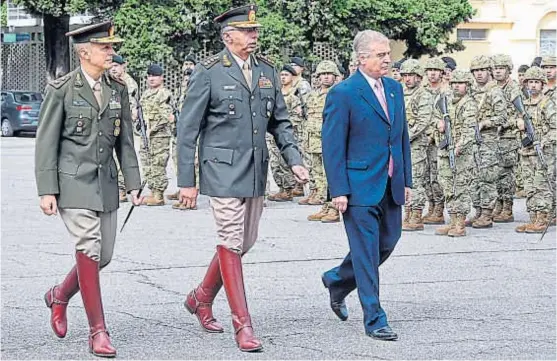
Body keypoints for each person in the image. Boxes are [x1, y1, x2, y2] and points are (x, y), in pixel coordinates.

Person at [177, 4, 308, 352]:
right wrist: (186, 181)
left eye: (255, 32)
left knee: (243, 243)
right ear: (228, 36)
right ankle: (243, 326)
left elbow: (280, 121)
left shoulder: (266, 70)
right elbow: (188, 130)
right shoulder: (208, 72)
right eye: (247, 32)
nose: (254, 37)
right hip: (220, 170)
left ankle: (201, 297)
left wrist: (294, 159)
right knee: (231, 240)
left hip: (255, 171)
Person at [35, 21, 142, 357]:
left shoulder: (118, 89)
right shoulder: (62, 89)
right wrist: (47, 189)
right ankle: (98, 331)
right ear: (85, 52)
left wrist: (134, 182)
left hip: (106, 183)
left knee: (103, 256)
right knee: (89, 247)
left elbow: (125, 142)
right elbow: (45, 142)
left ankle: (60, 294)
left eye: (112, 47)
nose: (112, 52)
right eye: (105, 47)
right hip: (73, 182)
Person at [320, 30, 412, 341]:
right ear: (362, 58)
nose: (388, 59)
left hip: (390, 183)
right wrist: (339, 190)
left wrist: (406, 179)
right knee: (366, 253)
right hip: (358, 186)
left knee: (388, 242)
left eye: (388, 54)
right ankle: (375, 318)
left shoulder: (394, 89)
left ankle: (338, 280)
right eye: (380, 55)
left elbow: (400, 138)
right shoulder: (343, 93)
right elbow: (332, 145)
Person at [432, 69, 478, 237]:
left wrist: (459, 145)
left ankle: (460, 222)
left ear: (467, 85)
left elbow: (469, 130)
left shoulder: (469, 104)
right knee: (446, 186)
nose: (457, 87)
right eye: (454, 84)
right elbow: (434, 118)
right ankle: (452, 219)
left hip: (461, 153)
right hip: (445, 150)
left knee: (460, 187)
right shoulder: (445, 101)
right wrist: (439, 124)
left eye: (461, 84)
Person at [467, 55, 508, 228]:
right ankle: (477, 210)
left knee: (487, 178)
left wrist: (486, 122)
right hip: (472, 141)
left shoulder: (495, 91)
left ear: (489, 71)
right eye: (476, 71)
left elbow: (503, 117)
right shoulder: (471, 91)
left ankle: (486, 213)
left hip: (488, 140)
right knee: (473, 177)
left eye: (482, 70)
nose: (479, 74)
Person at [515, 67, 556, 233]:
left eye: (536, 82)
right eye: (530, 82)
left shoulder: (548, 104)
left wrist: (543, 141)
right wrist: (519, 123)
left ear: (542, 84)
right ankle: (533, 217)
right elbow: (514, 123)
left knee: (542, 185)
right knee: (530, 186)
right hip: (527, 152)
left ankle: (543, 218)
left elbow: (555, 128)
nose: (532, 86)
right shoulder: (523, 105)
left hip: (544, 152)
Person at [303, 60, 341, 223]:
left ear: (335, 76)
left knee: (330, 176)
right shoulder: (313, 94)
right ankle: (325, 205)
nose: (325, 78)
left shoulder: (338, 93)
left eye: (329, 74)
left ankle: (334, 208)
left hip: (329, 141)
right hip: (313, 141)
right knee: (318, 175)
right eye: (322, 75)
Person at [400, 59, 433, 231]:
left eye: (411, 75)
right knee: (403, 179)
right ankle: (407, 211)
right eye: (405, 75)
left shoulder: (424, 95)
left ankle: (417, 214)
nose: (407, 79)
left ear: (419, 77)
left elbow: (423, 121)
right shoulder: (400, 93)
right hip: (400, 144)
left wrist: (406, 136)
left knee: (416, 179)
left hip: (416, 144)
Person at [267, 64, 305, 201]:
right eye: (281, 75)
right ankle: (282, 187)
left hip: (287, 134)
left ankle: (288, 189)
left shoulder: (294, 96)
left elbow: (296, 118)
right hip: (272, 135)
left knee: (284, 162)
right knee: (275, 162)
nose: (283, 78)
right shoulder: (276, 93)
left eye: (286, 75)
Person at [491, 54, 522, 223]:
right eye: (495, 68)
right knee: (496, 172)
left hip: (509, 136)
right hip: (493, 137)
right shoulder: (492, 88)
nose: (497, 72)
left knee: (507, 173)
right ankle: (498, 203)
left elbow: (520, 115)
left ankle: (507, 206)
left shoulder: (514, 89)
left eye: (501, 68)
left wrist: (503, 123)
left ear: (508, 70)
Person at [139, 64, 175, 206]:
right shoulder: (146, 94)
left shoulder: (164, 94)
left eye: (154, 76)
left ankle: (159, 195)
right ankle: (153, 191)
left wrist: (152, 129)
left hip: (159, 136)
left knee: (158, 164)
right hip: (146, 135)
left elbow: (166, 116)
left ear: (162, 78)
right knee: (147, 163)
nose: (151, 79)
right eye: (149, 76)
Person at [110, 54, 139, 202]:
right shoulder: (111, 81)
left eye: (116, 66)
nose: (113, 69)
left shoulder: (128, 84)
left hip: (124, 123)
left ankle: (122, 189)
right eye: (111, 66)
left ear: (123, 66)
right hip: (113, 121)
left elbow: (131, 108)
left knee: (121, 155)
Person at [422, 57, 448, 225]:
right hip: (423, 137)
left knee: (437, 174)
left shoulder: (446, 91)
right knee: (425, 175)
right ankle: (430, 204)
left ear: (441, 73)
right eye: (429, 70)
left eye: (435, 70)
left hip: (439, 139)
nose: (432, 73)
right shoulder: (422, 91)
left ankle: (439, 207)